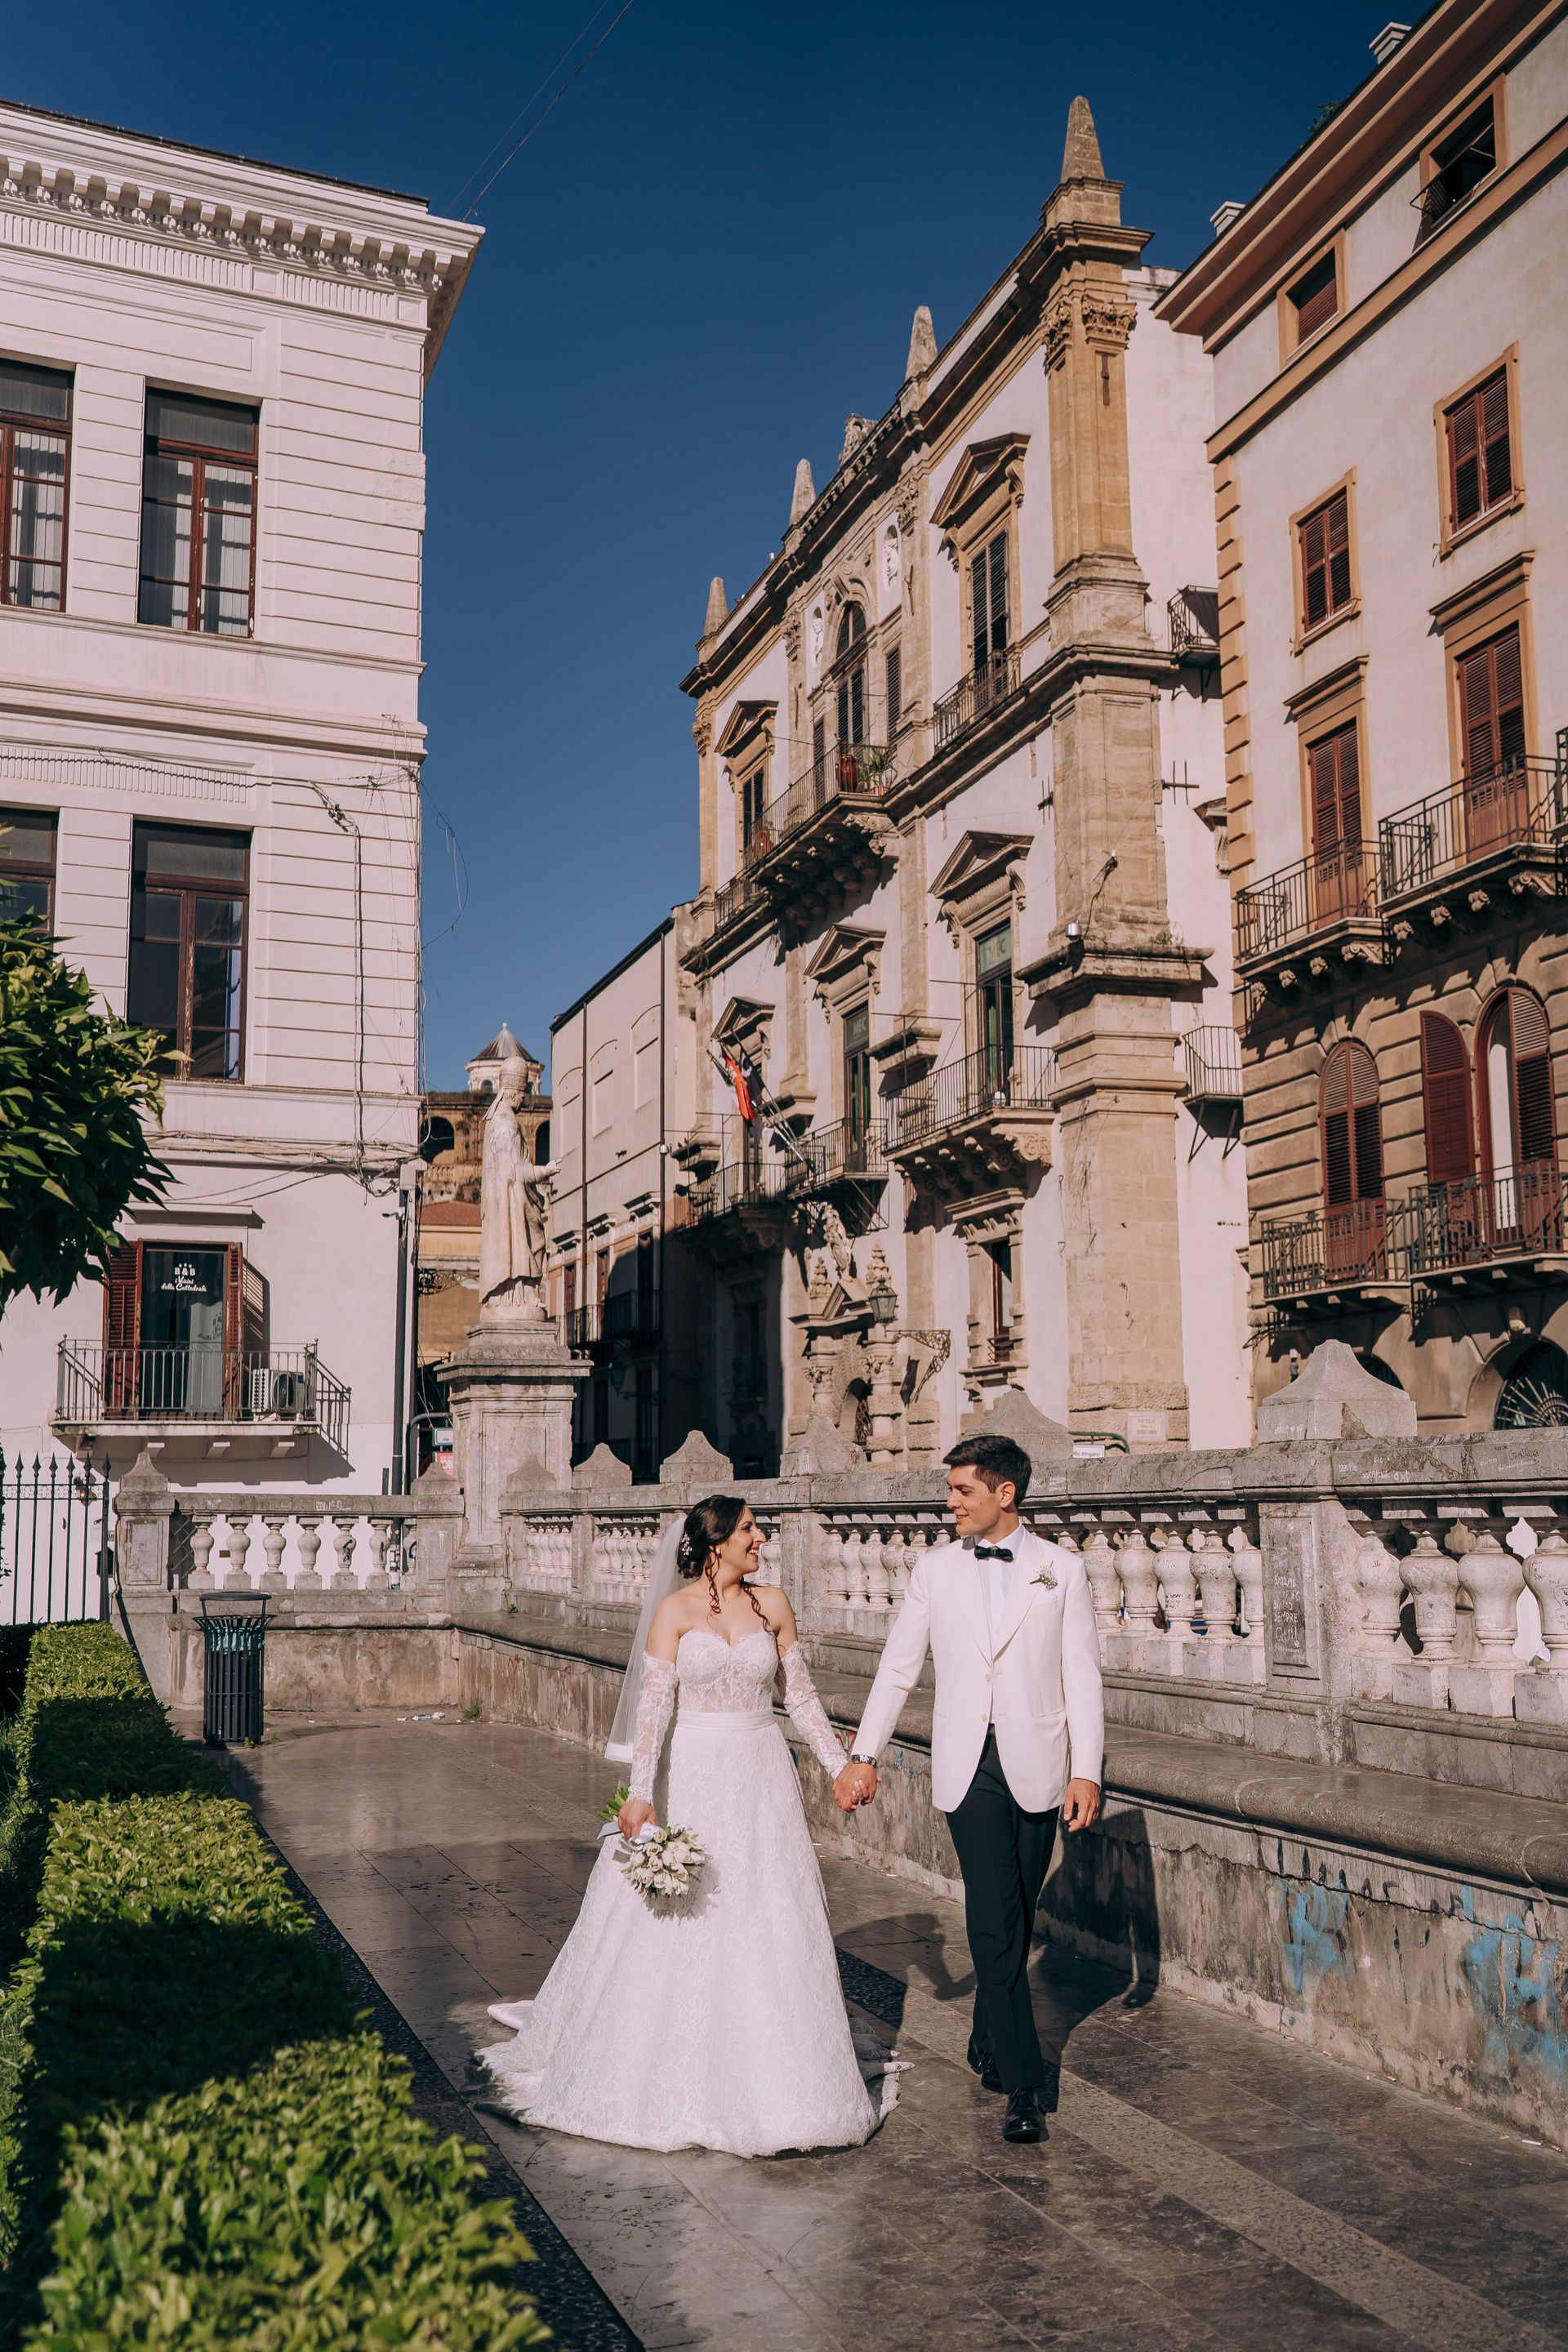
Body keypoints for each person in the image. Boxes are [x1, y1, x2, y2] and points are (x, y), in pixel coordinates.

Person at [477, 1494, 893, 2156]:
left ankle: (781, 2066)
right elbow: (653, 1712)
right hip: (695, 1771)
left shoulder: (775, 1604)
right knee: (687, 1910)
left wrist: (840, 1766)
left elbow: (803, 1699)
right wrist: (641, 1796)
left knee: (765, 1906)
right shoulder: (673, 1613)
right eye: (750, 1529)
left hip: (761, 1771)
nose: (761, 1538)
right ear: (716, 1540)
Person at [835, 1432, 1103, 2146]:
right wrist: (864, 1754)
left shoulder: (1062, 1570)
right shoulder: (933, 1570)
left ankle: (989, 2031)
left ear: (1003, 1494)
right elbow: (898, 1669)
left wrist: (1087, 1769)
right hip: (965, 1762)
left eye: (962, 1490)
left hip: (1040, 1759)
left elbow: (1082, 1675)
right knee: (992, 1914)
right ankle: (1024, 2082)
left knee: (1015, 1909)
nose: (949, 1501)